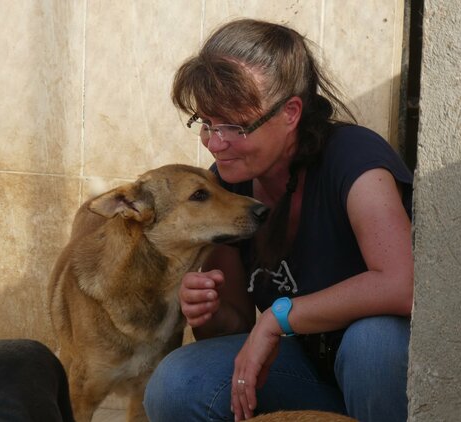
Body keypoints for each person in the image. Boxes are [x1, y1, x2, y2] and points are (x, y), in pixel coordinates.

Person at [143, 18, 413, 422]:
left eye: (234, 126)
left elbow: (401, 284)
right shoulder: (226, 187)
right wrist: (206, 308)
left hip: (384, 377)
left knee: (374, 343)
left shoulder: (354, 158)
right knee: (178, 383)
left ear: (290, 113)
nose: (216, 144)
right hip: (308, 372)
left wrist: (278, 317)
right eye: (206, 124)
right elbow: (231, 328)